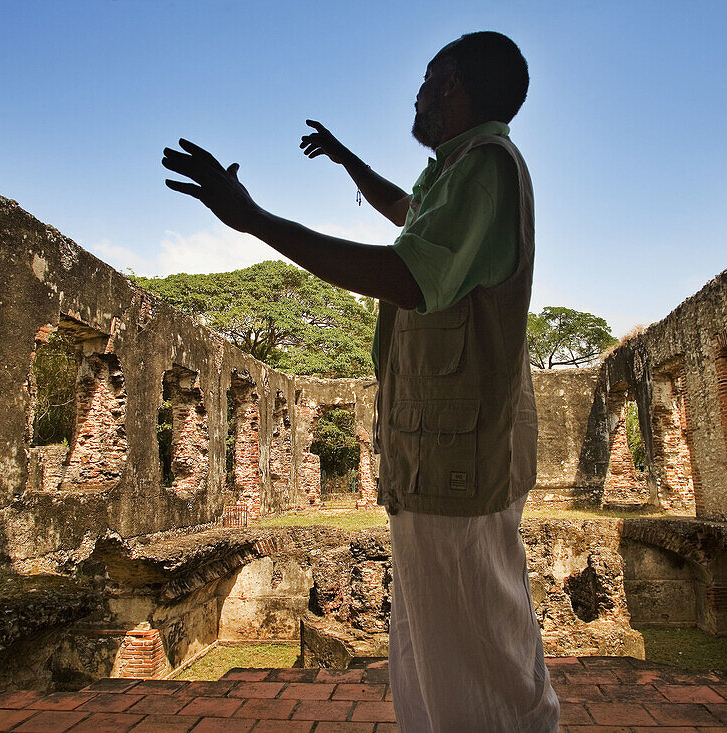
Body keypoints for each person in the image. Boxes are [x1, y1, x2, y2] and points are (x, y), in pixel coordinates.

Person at [163, 30, 559, 732]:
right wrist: (348, 161)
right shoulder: (460, 171)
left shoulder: (486, 168)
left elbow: (403, 273)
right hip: (445, 457)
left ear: (455, 90)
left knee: (477, 661)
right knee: (442, 650)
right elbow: (411, 217)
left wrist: (254, 219)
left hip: (457, 462)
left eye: (431, 78)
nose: (418, 92)